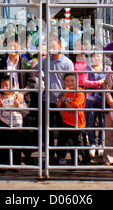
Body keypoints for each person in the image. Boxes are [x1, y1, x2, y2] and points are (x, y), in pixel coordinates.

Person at [0, 34, 38, 165]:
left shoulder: (25, 63)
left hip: (20, 101)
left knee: (24, 131)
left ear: (20, 47)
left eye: (15, 45)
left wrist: (22, 93)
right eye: (10, 45)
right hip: (5, 101)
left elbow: (31, 82)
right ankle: (3, 161)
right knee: (5, 133)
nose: (12, 48)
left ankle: (26, 158)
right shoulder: (1, 63)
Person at [37, 34, 74, 163]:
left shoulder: (67, 62)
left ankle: (62, 155)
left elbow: (71, 82)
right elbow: (35, 70)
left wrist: (63, 98)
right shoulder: (45, 61)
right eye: (50, 46)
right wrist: (44, 78)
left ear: (60, 46)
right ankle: (49, 154)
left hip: (61, 102)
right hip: (47, 99)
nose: (52, 48)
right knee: (46, 128)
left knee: (62, 129)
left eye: (54, 46)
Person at [55, 73, 90, 165]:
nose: (70, 83)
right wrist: (60, 104)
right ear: (64, 82)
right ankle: (75, 161)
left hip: (78, 122)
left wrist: (65, 101)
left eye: (72, 81)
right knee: (71, 143)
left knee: (80, 143)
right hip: (67, 121)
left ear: (77, 81)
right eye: (67, 81)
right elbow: (64, 106)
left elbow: (74, 107)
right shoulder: (66, 92)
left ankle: (86, 158)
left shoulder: (79, 92)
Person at [0, 76, 27, 168]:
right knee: (3, 145)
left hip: (16, 125)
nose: (4, 88)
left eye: (7, 85)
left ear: (13, 85)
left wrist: (18, 106)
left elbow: (25, 110)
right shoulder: (2, 98)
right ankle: (2, 164)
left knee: (16, 145)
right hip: (4, 123)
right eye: (2, 86)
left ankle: (16, 164)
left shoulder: (18, 97)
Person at [84, 50, 110, 157]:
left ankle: (101, 143)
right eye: (95, 56)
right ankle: (92, 143)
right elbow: (84, 82)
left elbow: (109, 81)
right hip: (90, 98)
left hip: (103, 98)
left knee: (102, 122)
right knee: (90, 122)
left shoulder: (107, 68)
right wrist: (98, 83)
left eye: (99, 56)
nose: (97, 58)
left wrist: (93, 84)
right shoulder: (87, 68)